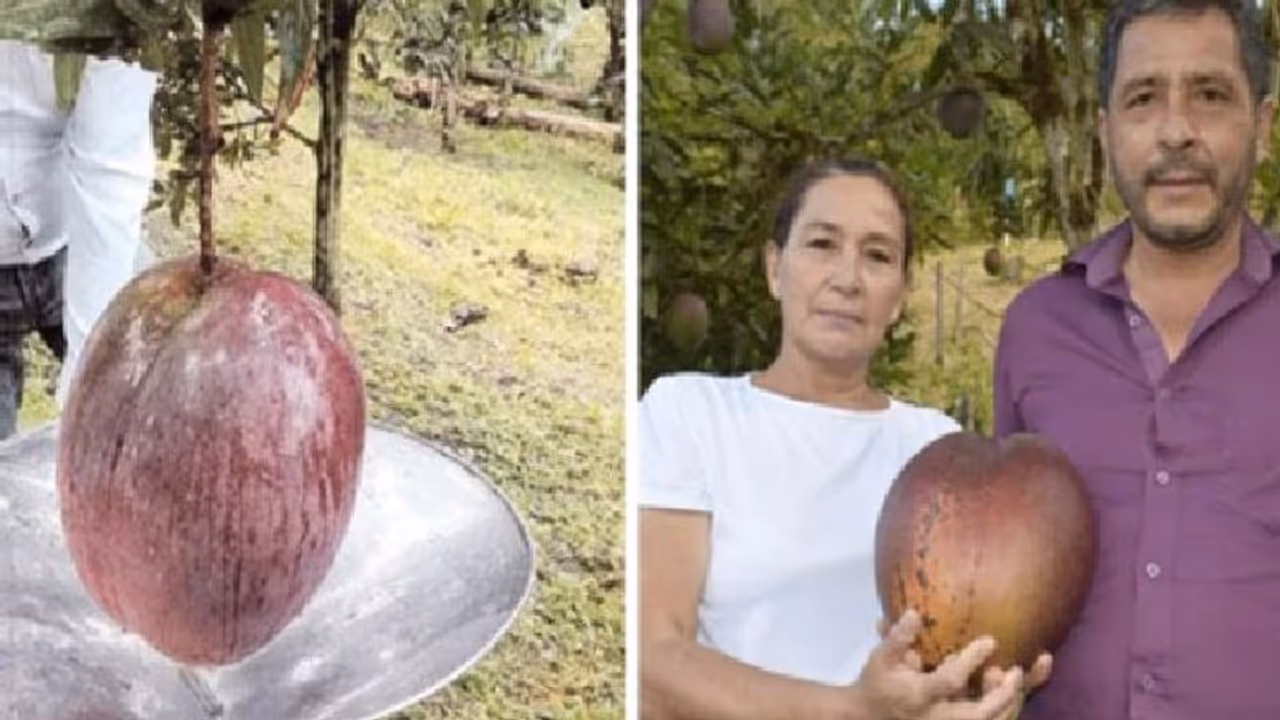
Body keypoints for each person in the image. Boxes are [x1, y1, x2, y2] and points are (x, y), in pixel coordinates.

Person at [640, 157, 1048, 720]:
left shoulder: (936, 448)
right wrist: (853, 710)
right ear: (774, 268)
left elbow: (956, 651)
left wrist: (983, 689)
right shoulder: (689, 413)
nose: (847, 279)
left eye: (877, 256)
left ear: (900, 295)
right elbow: (651, 659)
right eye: (822, 244)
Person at [993, 1, 1280, 718]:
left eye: (1210, 95)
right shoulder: (1036, 328)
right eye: (1143, 98)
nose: (1176, 130)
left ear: (1264, 126)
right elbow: (998, 567)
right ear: (1105, 130)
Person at [0, 40, 157, 438]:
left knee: (147, 412)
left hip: (76, 233)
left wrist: (91, 384)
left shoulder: (110, 21)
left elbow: (110, 165)